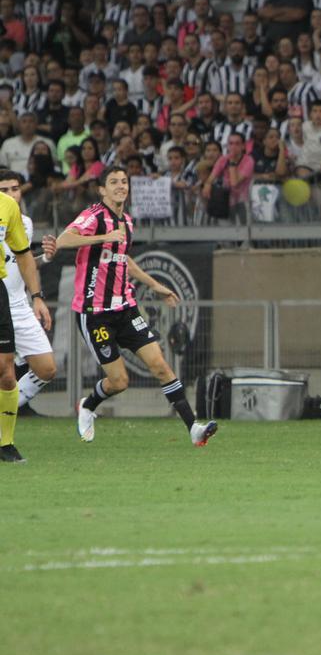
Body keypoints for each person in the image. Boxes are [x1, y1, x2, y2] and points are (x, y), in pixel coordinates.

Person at [58, 166, 217, 447]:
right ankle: (88, 405)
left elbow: (124, 259)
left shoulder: (127, 222)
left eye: (124, 181)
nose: (121, 186)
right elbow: (63, 240)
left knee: (160, 366)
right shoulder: (94, 216)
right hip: (95, 314)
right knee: (119, 381)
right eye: (114, 182)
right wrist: (103, 238)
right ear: (102, 190)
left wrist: (155, 285)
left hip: (126, 309)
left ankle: (193, 428)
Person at [0, 172, 50, 462]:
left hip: (8, 299)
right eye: (5, 188)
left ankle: (5, 442)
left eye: (15, 188)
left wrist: (37, 297)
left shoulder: (12, 213)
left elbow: (23, 256)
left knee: (9, 371)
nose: (11, 193)